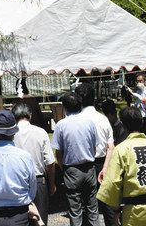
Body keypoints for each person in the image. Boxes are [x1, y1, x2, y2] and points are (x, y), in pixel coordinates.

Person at [97, 107, 146, 226]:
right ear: (142, 122)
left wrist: (116, 211)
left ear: (122, 124)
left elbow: (112, 184)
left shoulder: (121, 150)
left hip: (134, 213)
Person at [51, 93, 99, 226]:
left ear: (64, 107)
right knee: (92, 207)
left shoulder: (61, 125)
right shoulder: (89, 123)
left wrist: (63, 167)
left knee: (75, 209)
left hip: (71, 169)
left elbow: (58, 153)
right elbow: (94, 148)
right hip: (89, 167)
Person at [76, 84, 115, 226]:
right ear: (94, 98)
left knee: (87, 205)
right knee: (107, 204)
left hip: (83, 165)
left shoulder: (76, 120)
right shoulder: (103, 118)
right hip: (103, 162)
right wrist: (105, 167)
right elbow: (111, 146)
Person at [12, 102, 55, 225]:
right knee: (39, 220)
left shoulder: (10, 133)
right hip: (38, 181)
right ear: (30, 115)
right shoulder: (41, 132)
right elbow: (50, 163)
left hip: (15, 182)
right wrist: (52, 184)